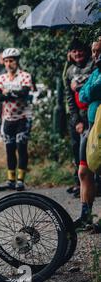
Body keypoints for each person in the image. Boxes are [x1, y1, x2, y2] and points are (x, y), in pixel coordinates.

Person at [0, 48, 34, 191]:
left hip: (23, 117)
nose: (8, 64)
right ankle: (11, 179)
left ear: (17, 61)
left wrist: (8, 92)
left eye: (11, 60)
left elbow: (24, 93)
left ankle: (20, 180)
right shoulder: (2, 78)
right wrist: (13, 94)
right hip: (8, 118)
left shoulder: (25, 76)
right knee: (10, 148)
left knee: (21, 147)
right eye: (6, 61)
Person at [74, 37, 101, 233]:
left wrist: (88, 90)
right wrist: (88, 90)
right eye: (93, 51)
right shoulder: (96, 72)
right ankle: (86, 215)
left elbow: (89, 90)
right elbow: (82, 96)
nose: (95, 55)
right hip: (91, 125)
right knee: (84, 171)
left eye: (99, 51)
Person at [64, 38, 94, 198]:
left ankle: (95, 182)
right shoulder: (69, 71)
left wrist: (80, 86)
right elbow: (69, 97)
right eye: (74, 51)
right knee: (77, 149)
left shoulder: (94, 65)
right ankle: (79, 182)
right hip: (79, 117)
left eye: (80, 50)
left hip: (94, 113)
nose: (77, 54)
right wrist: (76, 121)